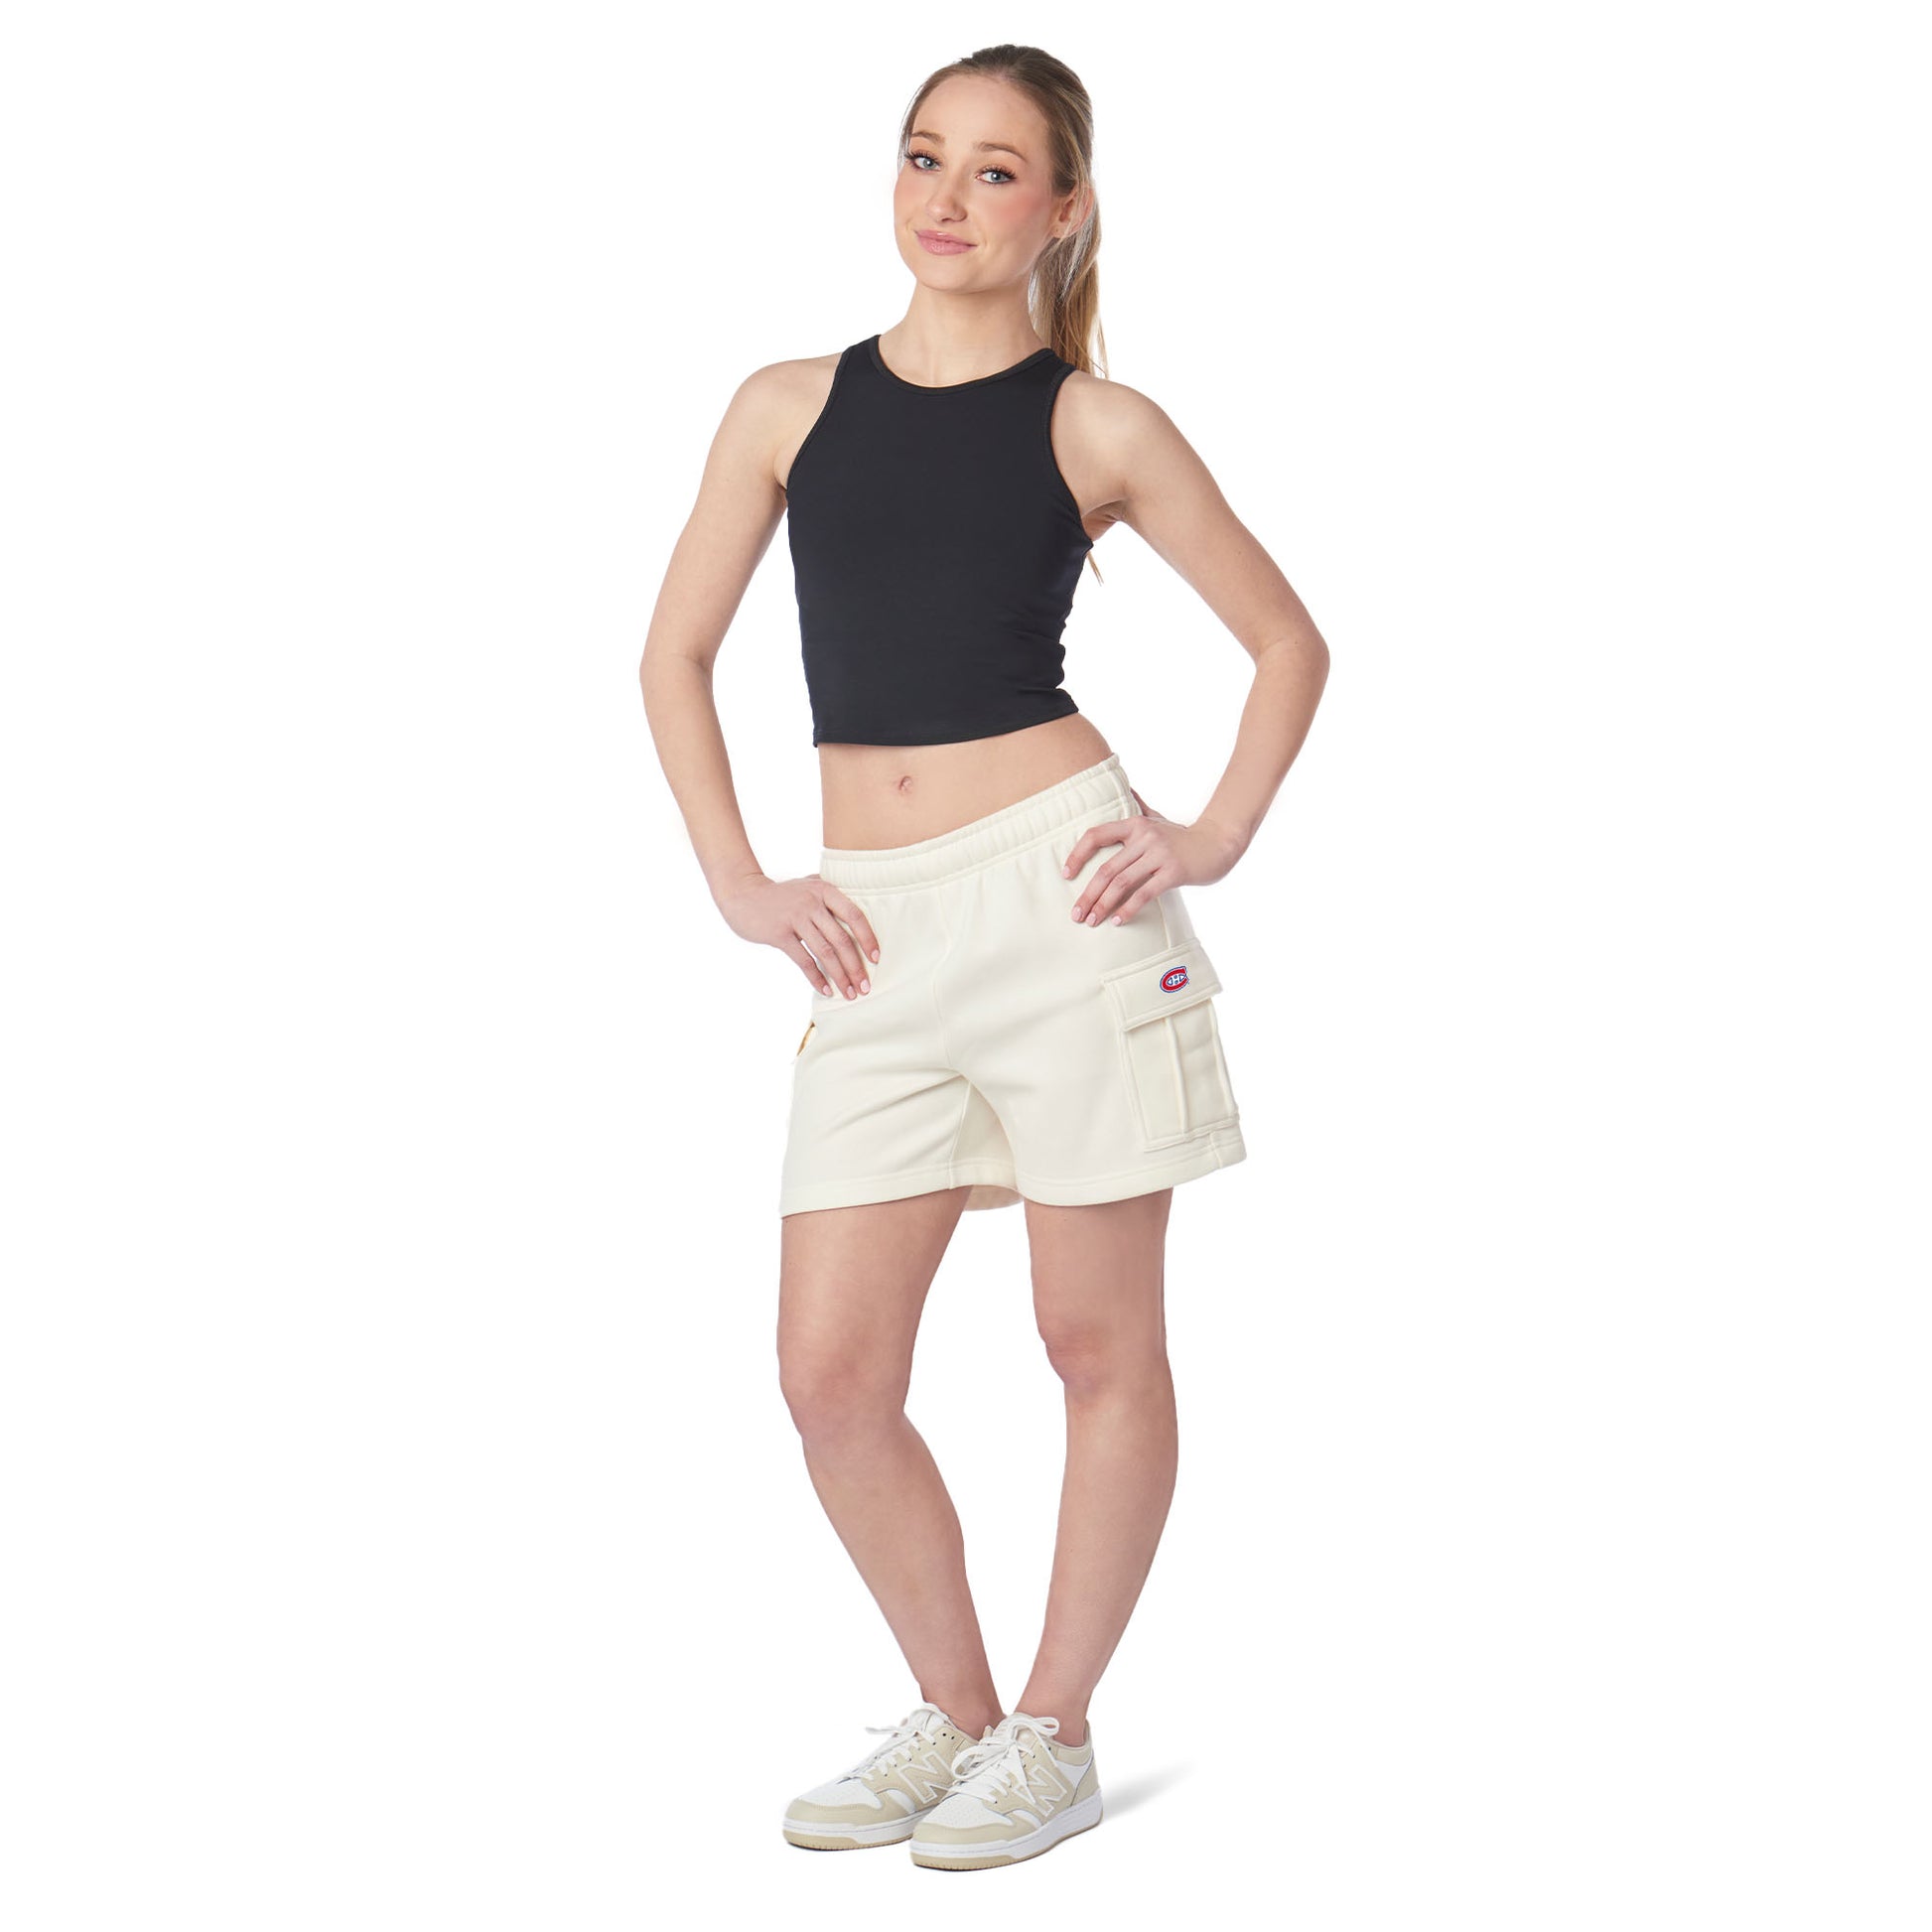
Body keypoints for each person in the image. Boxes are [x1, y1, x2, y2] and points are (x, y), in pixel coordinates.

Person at [639, 45, 1328, 1870]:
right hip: (869, 933)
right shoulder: (786, 404)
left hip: (1063, 907)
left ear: (1064, 209)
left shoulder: (1097, 424)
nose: (946, 198)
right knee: (828, 1375)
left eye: (997, 170)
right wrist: (740, 881)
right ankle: (951, 1712)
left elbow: (1288, 643)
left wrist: (1208, 834)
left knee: (1090, 1342)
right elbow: (670, 656)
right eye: (923, 155)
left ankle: (1052, 1730)